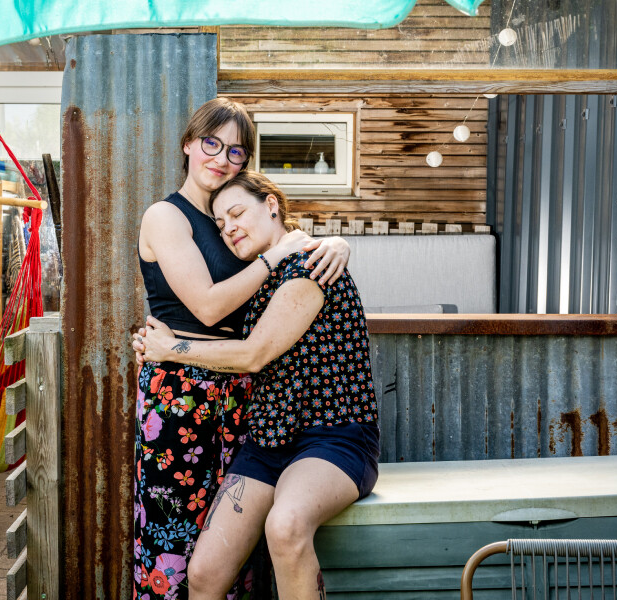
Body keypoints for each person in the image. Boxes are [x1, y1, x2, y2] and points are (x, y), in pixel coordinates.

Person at [135, 98, 350, 600]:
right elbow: (209, 307)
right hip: (182, 391)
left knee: (229, 542)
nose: (221, 158)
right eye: (211, 143)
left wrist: (335, 243)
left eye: (236, 151)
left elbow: (292, 258)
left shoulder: (228, 216)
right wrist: (278, 255)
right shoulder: (167, 216)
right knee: (176, 534)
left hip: (244, 393)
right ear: (189, 144)